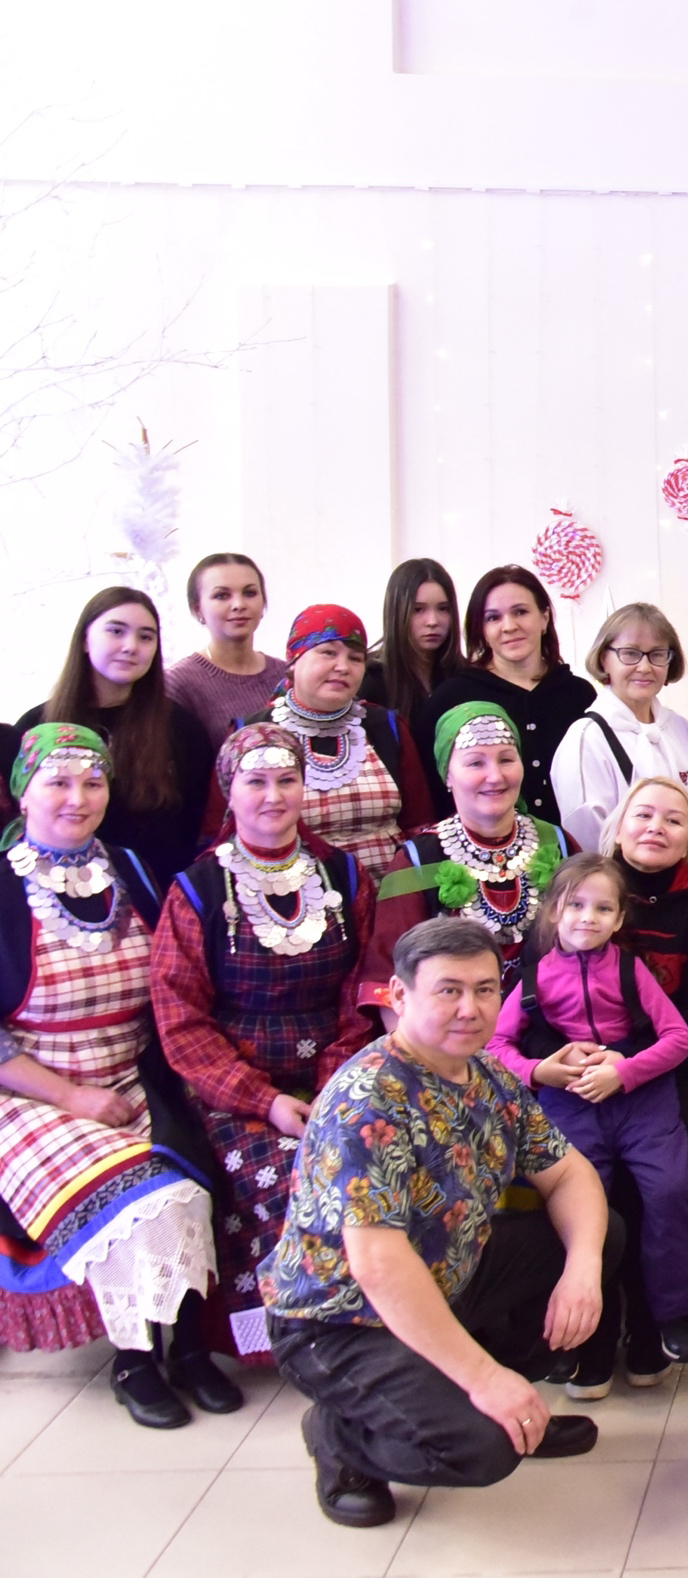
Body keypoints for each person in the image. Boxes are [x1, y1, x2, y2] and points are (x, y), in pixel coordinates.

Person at [261, 919, 619, 1528]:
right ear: (400, 997)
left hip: (447, 1277)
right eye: (449, 990)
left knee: (597, 1242)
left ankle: (507, 1404)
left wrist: (582, 1273)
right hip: (343, 1323)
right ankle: (341, 1435)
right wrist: (482, 1377)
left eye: (485, 989)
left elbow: (569, 1175)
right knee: (485, 1449)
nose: (470, 1009)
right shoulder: (368, 1099)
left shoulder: (486, 1073)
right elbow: (379, 1266)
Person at [0, 725, 231, 1426]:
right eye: (58, 783)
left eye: (92, 782)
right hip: (31, 1091)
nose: (77, 798)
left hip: (135, 1073)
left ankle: (189, 1346)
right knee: (145, 1195)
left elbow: (178, 977)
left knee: (211, 1167)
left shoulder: (131, 868)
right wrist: (71, 1095)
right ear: (22, 794)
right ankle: (134, 1360)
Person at [151, 723, 376, 1362]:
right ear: (230, 791)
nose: (273, 796)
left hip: (335, 1073)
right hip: (234, 1089)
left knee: (375, 1166)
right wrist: (265, 1100)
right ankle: (295, 1340)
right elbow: (181, 1021)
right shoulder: (195, 890)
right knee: (292, 1174)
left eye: (287, 779)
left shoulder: (345, 876)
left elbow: (362, 991)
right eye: (256, 781)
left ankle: (377, 1329)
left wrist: (334, 1084)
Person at [489, 852, 688, 1400]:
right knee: (578, 1208)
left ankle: (677, 1313)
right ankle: (575, 1330)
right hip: (568, 1100)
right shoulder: (534, 979)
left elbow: (679, 1038)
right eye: (576, 905)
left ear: (619, 919)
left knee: (670, 1189)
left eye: (603, 908)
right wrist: (540, 1071)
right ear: (553, 913)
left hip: (639, 1098)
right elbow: (495, 1046)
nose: (588, 917)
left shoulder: (632, 970)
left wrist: (625, 1071)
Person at [361, 704, 569, 1000]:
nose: (495, 776)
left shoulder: (558, 843)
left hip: (556, 1016)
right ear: (447, 775)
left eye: (506, 759)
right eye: (475, 763)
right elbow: (386, 976)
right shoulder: (417, 860)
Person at [18, 586, 214, 882]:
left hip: (158, 896)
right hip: (54, 892)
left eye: (145, 637)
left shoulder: (181, 727)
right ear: (85, 640)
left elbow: (196, 825)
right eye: (116, 631)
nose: (131, 646)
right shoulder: (37, 727)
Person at [604, 776, 688, 1185]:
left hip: (680, 1059)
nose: (656, 827)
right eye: (643, 815)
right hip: (596, 1055)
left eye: (674, 820)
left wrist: (635, 1062)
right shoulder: (588, 889)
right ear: (619, 829)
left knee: (661, 1162)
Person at [266, 605, 434, 880]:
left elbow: (420, 827)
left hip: (389, 895)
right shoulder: (257, 734)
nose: (343, 667)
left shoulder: (387, 727)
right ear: (294, 660)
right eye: (328, 653)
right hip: (298, 897)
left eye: (355, 658)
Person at [423, 566, 597, 830]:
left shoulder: (580, 695)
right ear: (481, 628)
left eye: (520, 612)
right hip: (476, 849)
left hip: (573, 847)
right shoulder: (452, 698)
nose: (509, 626)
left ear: (544, 618)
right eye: (493, 617)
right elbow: (430, 793)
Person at [552, 603, 688, 854]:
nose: (645, 667)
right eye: (630, 653)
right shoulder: (586, 738)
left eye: (657, 654)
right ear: (604, 659)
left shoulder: (680, 728)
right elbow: (589, 842)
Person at [164, 553, 289, 747]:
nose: (239, 605)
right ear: (198, 609)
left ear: (263, 603)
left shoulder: (288, 675)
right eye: (222, 596)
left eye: (249, 593)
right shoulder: (177, 685)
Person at [359, 558, 462, 734]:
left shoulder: (465, 677)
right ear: (397, 613)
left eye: (443, 609)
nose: (433, 621)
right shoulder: (371, 680)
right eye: (418, 609)